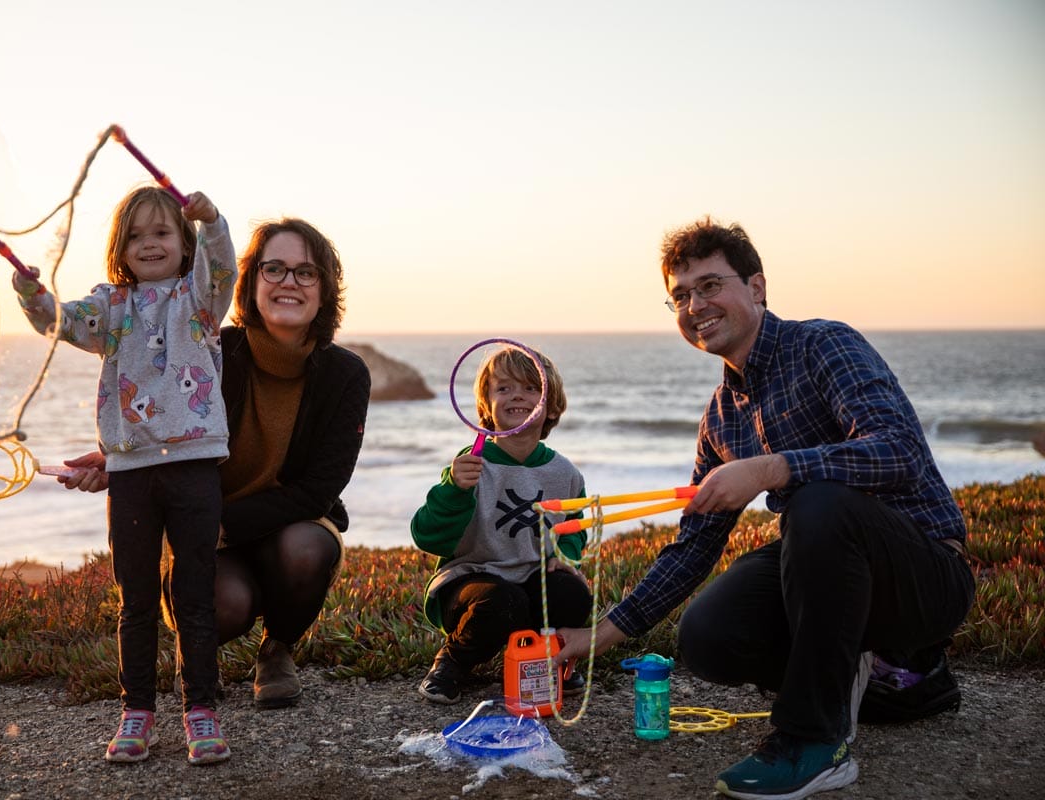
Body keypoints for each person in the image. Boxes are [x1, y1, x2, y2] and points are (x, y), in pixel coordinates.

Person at [553, 217, 975, 800]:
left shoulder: (825, 343)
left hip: (926, 575)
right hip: (834, 577)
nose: (694, 305)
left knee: (818, 505)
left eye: (709, 285)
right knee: (707, 634)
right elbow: (694, 546)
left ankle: (815, 741)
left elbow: (897, 450)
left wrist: (772, 468)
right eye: (680, 295)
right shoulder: (720, 418)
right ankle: (885, 681)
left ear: (756, 287)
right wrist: (598, 635)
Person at [60, 217, 371, 714]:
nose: (289, 282)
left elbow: (321, 488)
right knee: (223, 605)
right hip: (202, 527)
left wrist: (223, 526)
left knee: (307, 547)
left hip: (271, 528)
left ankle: (277, 650)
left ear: (324, 289)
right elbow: (164, 421)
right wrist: (119, 462)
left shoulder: (345, 373)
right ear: (249, 282)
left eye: (305, 272)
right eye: (274, 268)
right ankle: (200, 664)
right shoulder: (210, 346)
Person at [14, 186, 236, 765]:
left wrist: (212, 221)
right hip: (132, 470)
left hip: (193, 466)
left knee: (194, 594)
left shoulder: (200, 299)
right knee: (135, 598)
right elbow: (60, 322)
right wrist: (32, 294)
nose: (149, 244)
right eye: (136, 235)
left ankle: (201, 711)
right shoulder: (110, 306)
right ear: (120, 246)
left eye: (162, 232)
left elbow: (224, 266)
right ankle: (135, 710)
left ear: (184, 242)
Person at [411, 344, 592, 705]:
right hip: (472, 582)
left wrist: (565, 557)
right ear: (486, 406)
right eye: (504, 388)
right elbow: (429, 535)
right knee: (501, 602)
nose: (518, 397)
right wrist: (454, 489)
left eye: (530, 388)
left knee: (572, 593)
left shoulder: (565, 473)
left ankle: (548, 659)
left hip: (530, 578)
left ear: (551, 405)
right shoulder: (471, 465)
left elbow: (573, 527)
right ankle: (452, 661)